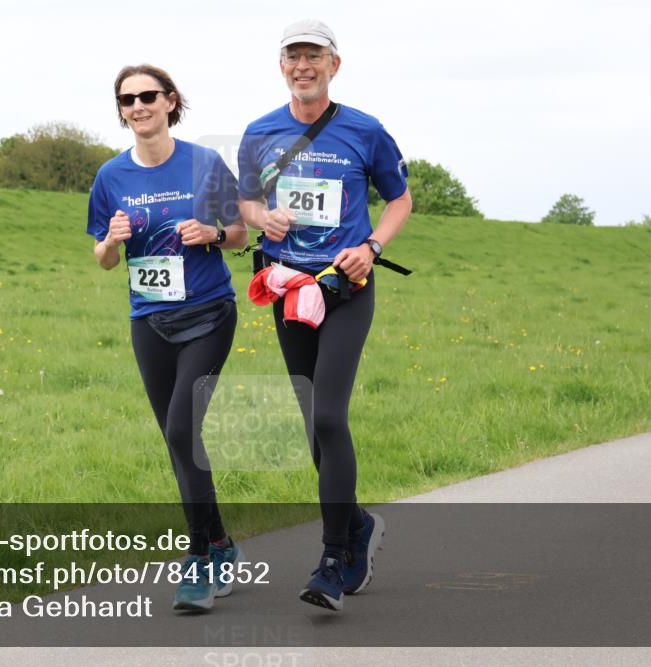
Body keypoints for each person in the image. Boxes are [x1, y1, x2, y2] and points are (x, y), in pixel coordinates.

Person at [237, 19, 413, 611]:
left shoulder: (365, 130)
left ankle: (335, 557)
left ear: (334, 65)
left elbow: (400, 196)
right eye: (293, 57)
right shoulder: (260, 133)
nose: (302, 66)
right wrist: (263, 220)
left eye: (313, 56)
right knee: (314, 420)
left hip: (345, 288)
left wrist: (374, 247)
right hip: (287, 288)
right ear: (282, 66)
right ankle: (358, 524)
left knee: (330, 416)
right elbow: (247, 200)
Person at [87, 64, 249, 611]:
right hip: (148, 321)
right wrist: (110, 242)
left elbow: (240, 235)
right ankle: (223, 543)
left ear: (170, 100)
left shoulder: (204, 163)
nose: (138, 106)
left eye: (148, 96)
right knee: (178, 440)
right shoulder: (111, 176)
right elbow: (104, 260)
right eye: (127, 99)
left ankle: (199, 558)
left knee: (183, 428)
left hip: (207, 313)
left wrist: (212, 232)